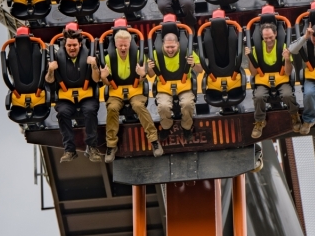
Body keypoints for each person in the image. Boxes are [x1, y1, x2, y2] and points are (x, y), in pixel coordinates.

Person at [100, 28, 163, 162]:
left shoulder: (139, 56)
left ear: (130, 44)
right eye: (120, 45)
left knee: (138, 106)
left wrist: (142, 75)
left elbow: (144, 78)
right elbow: (106, 82)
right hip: (116, 91)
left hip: (135, 89)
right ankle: (111, 145)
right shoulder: (108, 58)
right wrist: (104, 77)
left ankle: (154, 140)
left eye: (125, 45)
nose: (123, 48)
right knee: (112, 108)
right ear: (115, 44)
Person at [45, 27, 102, 164]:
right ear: (65, 45)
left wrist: (94, 66)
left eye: (74, 45)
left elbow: (96, 80)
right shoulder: (57, 58)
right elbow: (49, 81)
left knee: (90, 110)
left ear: (80, 44)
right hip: (66, 97)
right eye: (69, 45)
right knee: (62, 112)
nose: (72, 48)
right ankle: (69, 150)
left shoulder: (89, 55)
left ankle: (92, 147)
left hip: (86, 94)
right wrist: (51, 70)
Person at [246, 20, 301, 139]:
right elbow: (253, 72)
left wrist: (287, 59)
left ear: (275, 34)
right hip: (263, 79)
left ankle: (294, 115)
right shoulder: (257, 49)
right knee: (259, 96)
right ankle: (260, 121)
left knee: (287, 95)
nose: (268, 40)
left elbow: (288, 72)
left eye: (270, 37)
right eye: (265, 38)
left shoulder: (284, 47)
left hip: (281, 78)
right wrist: (250, 57)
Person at [148, 27, 203, 138]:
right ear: (163, 45)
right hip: (164, 87)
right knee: (163, 106)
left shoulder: (187, 52)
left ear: (178, 44)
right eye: (167, 47)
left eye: (172, 47)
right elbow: (150, 75)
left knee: (187, 104)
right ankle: (166, 126)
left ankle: (186, 127)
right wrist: (150, 68)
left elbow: (200, 70)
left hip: (184, 86)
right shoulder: (155, 54)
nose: (170, 50)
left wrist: (193, 64)